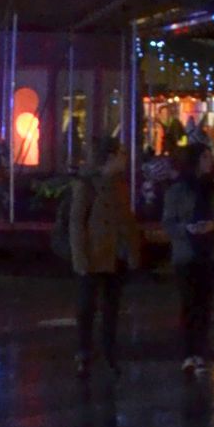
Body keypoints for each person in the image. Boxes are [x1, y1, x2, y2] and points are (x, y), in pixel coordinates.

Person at [63, 133, 140, 378]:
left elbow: (126, 221)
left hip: (115, 255)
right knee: (87, 306)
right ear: (110, 157)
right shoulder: (87, 185)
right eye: (121, 155)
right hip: (94, 255)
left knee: (111, 307)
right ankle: (84, 352)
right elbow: (76, 223)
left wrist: (132, 250)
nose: (125, 159)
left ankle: (108, 352)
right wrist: (80, 258)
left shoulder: (118, 185)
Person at [161, 139, 214, 375]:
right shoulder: (177, 191)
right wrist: (186, 229)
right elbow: (168, 222)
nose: (210, 161)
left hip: (210, 252)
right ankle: (188, 353)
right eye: (205, 157)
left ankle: (200, 353)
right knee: (189, 303)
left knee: (204, 304)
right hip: (186, 253)